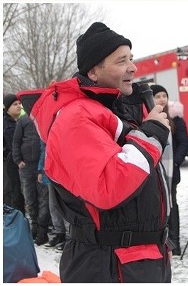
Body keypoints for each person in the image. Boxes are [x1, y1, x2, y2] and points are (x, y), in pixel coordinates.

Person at [29, 22, 172, 282]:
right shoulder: (76, 116)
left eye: (131, 58)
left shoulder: (113, 110)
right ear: (94, 71)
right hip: (108, 265)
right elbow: (109, 187)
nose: (133, 67)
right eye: (121, 60)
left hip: (138, 260)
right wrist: (150, 134)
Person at [150, 84, 188, 255]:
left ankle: (175, 242)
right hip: (154, 171)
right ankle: (162, 242)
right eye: (157, 96)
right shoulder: (149, 117)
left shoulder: (176, 117)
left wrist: (175, 163)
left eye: (164, 95)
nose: (162, 99)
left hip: (171, 172)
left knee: (172, 205)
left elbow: (183, 143)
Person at [13, 99, 51, 245]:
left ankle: (43, 230)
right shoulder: (23, 120)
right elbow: (16, 142)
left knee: (44, 199)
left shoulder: (46, 118)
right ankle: (33, 226)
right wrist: (18, 160)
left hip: (41, 166)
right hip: (26, 166)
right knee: (29, 198)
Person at [3, 94, 25, 213]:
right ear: (7, 108)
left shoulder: (17, 122)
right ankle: (13, 222)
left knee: (18, 193)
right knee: (11, 193)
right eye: (15, 104)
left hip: (17, 163)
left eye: (19, 104)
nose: (19, 106)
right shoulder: (5, 123)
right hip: (7, 163)